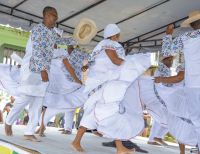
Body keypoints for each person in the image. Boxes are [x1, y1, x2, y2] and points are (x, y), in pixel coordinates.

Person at [71, 24, 151, 154]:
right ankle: (118, 147)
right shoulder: (109, 43)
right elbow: (114, 60)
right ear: (114, 35)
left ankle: (78, 142)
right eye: (118, 35)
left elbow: (90, 64)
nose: (119, 37)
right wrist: (132, 66)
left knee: (98, 113)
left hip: (101, 84)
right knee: (111, 112)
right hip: (104, 83)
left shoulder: (100, 45)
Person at [4, 6, 77, 142]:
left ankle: (29, 132)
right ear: (45, 16)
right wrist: (43, 69)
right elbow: (38, 51)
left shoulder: (51, 33)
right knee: (24, 99)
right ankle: (8, 122)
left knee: (38, 103)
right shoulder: (38, 30)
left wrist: (75, 39)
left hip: (44, 70)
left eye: (56, 16)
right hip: (33, 70)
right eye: (52, 15)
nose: (55, 18)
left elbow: (58, 43)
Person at [162, 10, 200, 153]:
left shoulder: (186, 37)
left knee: (197, 121)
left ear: (191, 25)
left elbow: (166, 52)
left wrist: (168, 34)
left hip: (193, 85)